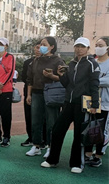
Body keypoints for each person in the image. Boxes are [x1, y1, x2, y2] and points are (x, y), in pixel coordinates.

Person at [41, 37, 100, 174]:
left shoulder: (92, 64)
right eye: (77, 46)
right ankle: (52, 160)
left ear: (87, 48)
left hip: (82, 104)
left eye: (82, 46)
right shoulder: (72, 63)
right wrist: (62, 76)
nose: (79, 49)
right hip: (68, 102)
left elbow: (94, 86)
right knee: (57, 131)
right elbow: (68, 85)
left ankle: (77, 163)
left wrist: (94, 105)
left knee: (79, 135)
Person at [25, 36, 65, 158]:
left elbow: (64, 78)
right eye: (40, 44)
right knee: (36, 120)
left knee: (51, 121)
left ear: (52, 47)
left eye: (44, 44)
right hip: (37, 93)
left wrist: (52, 76)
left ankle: (50, 146)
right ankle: (36, 145)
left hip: (52, 93)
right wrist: (28, 94)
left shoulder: (58, 61)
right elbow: (29, 79)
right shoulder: (35, 61)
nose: (41, 46)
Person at [85, 37, 109, 167]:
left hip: (105, 103)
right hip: (89, 101)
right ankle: (87, 154)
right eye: (97, 45)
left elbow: (107, 82)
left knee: (100, 128)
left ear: (107, 48)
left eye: (101, 45)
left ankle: (98, 156)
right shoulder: (93, 62)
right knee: (90, 127)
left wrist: (94, 81)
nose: (98, 47)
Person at [21, 40, 42, 147]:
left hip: (42, 92)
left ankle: (42, 139)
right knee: (29, 115)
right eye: (37, 47)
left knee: (41, 117)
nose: (38, 50)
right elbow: (25, 78)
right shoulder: (28, 62)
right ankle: (30, 137)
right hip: (29, 92)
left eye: (41, 47)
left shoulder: (48, 62)